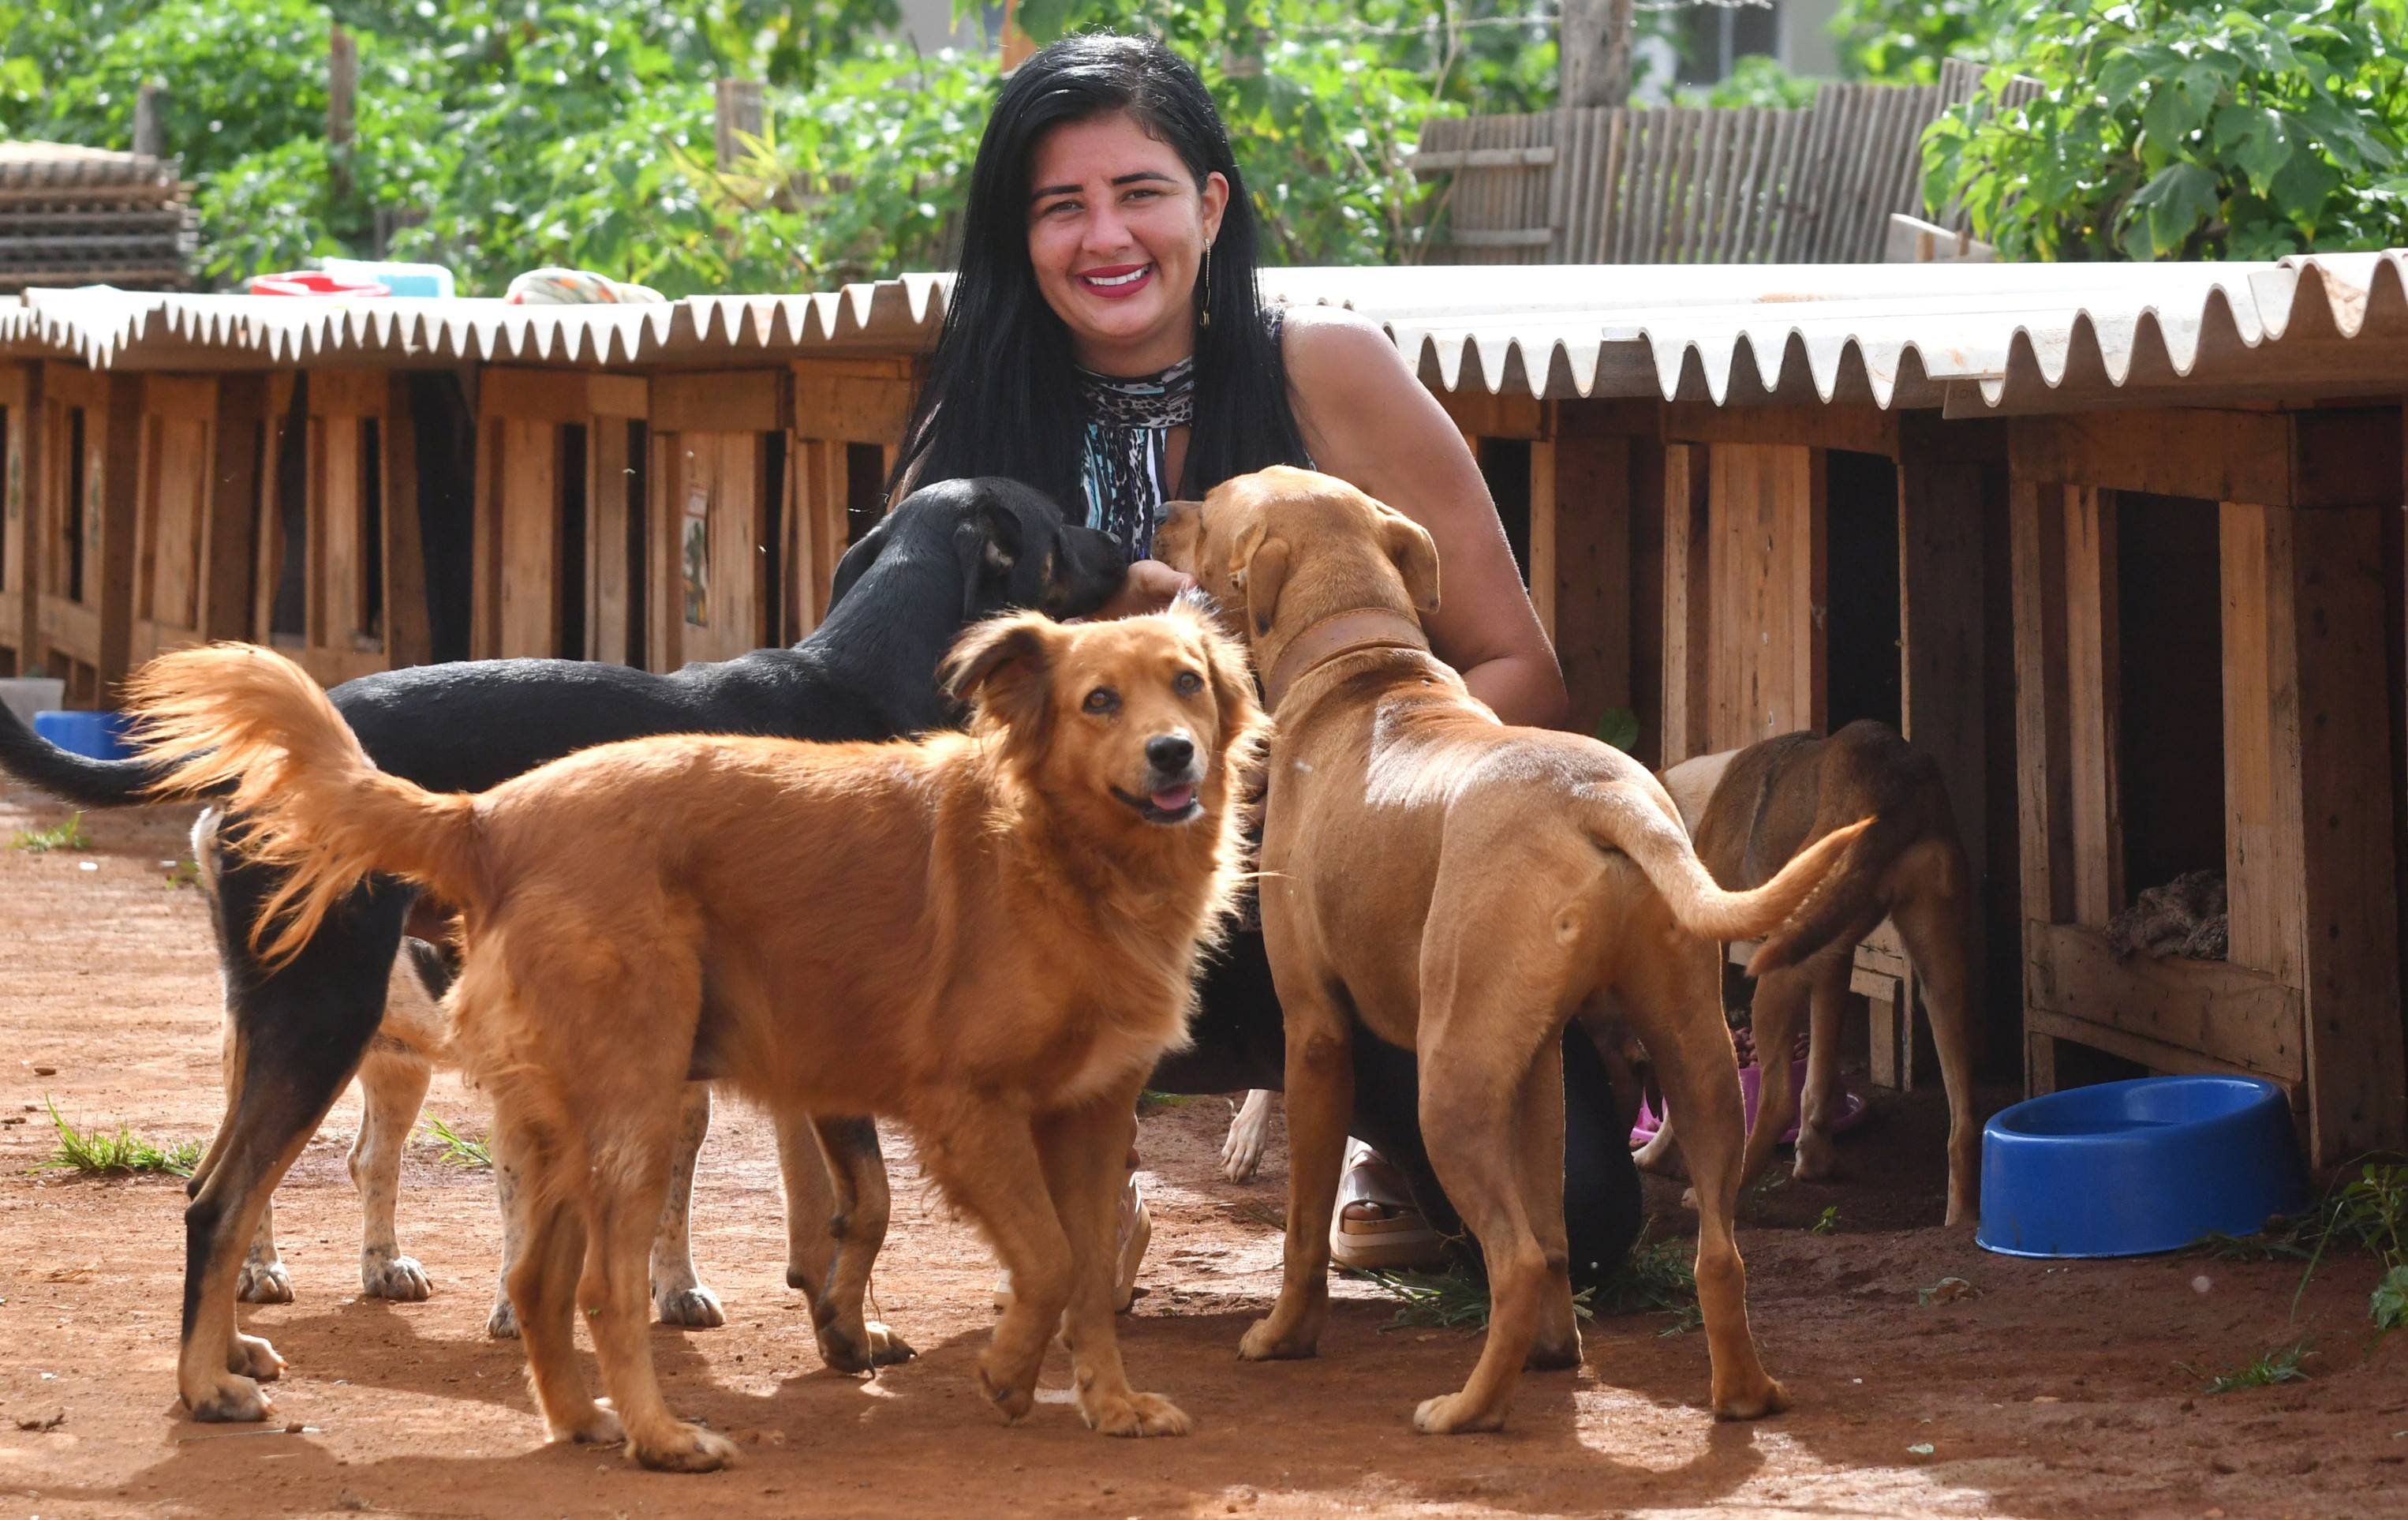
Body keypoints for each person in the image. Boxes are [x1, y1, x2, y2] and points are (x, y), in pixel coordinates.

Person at [887, 33, 1642, 1289]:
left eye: (1140, 193)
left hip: (1351, 916)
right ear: (1018, 236)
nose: (1105, 237)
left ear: (1210, 204)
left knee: (1584, 1221)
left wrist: (1326, 787)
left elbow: (1520, 672)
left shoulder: (1331, 373)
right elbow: (902, 712)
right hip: (1085, 924)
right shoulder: (970, 421)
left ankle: (1379, 1143)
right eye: (1060, 207)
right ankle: (1080, 1162)